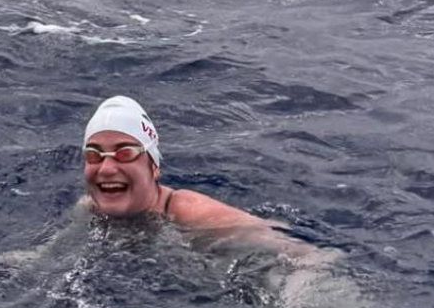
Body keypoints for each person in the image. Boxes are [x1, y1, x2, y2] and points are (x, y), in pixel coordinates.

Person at [81, 95, 335, 262]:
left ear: (154, 167)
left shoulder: (193, 214)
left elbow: (306, 254)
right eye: (94, 155)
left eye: (125, 153)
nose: (106, 168)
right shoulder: (88, 208)